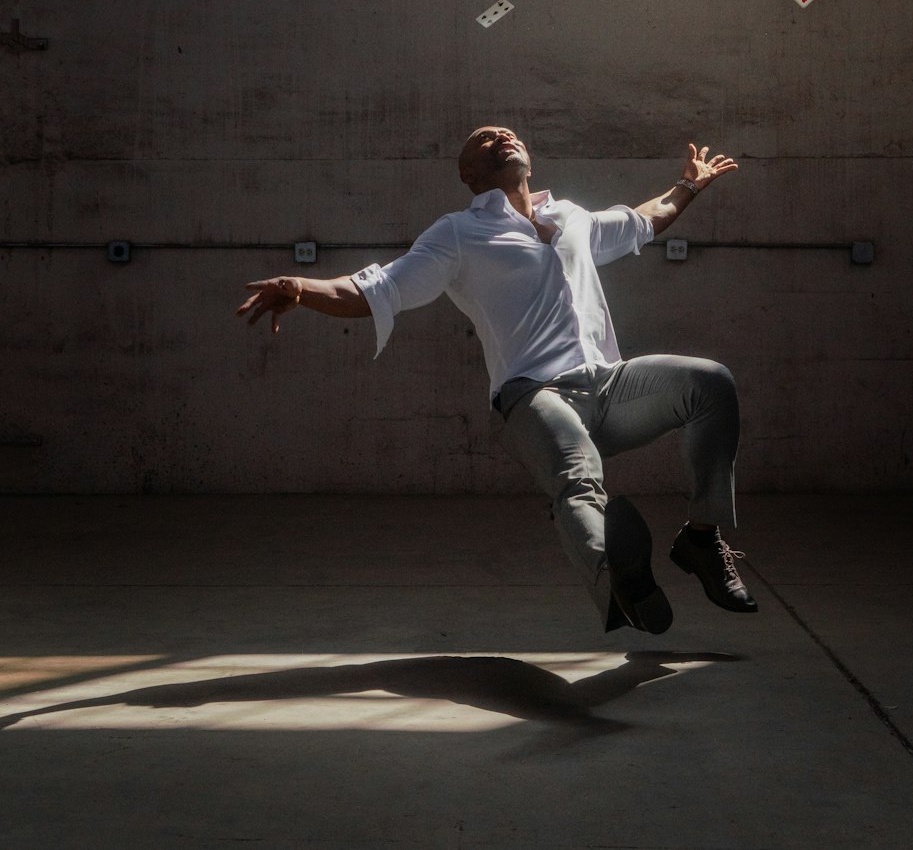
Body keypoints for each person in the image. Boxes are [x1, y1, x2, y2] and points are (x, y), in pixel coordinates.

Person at [236, 126, 757, 635]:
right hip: (535, 396)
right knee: (578, 480)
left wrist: (687, 185)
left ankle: (701, 537)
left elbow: (643, 220)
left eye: (509, 135)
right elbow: (381, 286)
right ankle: (617, 582)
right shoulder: (459, 233)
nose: (502, 137)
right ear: (468, 173)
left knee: (709, 383)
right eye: (485, 140)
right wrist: (301, 287)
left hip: (611, 386)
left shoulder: (570, 216)